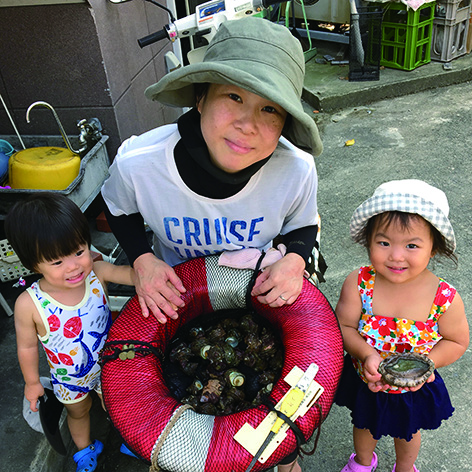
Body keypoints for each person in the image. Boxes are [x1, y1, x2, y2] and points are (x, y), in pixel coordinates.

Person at [101, 17, 324, 334]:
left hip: (255, 290)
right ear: (200, 98)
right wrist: (141, 259)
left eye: (270, 109)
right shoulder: (139, 164)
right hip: (177, 293)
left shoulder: (295, 169)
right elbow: (117, 206)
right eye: (234, 97)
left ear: (286, 122)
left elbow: (302, 224)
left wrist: (295, 260)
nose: (247, 125)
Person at [334, 179, 469, 472]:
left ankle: (405, 468)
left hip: (414, 388)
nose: (396, 255)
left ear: (433, 248)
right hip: (366, 378)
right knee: (364, 422)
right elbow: (343, 326)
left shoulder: (444, 297)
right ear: (368, 240)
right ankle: (361, 462)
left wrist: (427, 363)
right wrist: (366, 353)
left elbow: (457, 341)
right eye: (384, 242)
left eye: (412, 245)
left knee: (407, 432)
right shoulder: (359, 283)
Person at [4, 193, 135, 472]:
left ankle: (130, 438)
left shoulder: (97, 272)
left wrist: (151, 272)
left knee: (118, 405)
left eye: (78, 251)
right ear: (33, 264)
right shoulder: (29, 304)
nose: (74, 266)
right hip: (69, 377)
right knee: (79, 412)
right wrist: (31, 383)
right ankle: (84, 449)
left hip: (110, 364)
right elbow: (26, 347)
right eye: (57, 262)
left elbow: (131, 274)